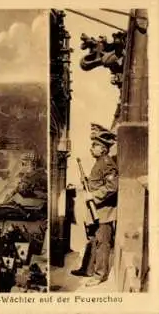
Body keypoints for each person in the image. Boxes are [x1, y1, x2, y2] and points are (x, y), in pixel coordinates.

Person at [70, 123, 118, 287]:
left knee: (102, 242)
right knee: (91, 240)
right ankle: (88, 269)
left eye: (95, 145)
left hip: (104, 212)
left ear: (104, 148)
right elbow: (97, 184)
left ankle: (100, 275)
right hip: (94, 210)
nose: (92, 148)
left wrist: (94, 195)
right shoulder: (99, 163)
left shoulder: (107, 163)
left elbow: (112, 187)